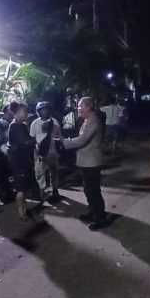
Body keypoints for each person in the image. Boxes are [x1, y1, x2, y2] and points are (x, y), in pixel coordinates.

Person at [63, 97, 107, 230]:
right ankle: (93, 212)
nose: (78, 109)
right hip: (87, 161)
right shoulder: (88, 120)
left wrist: (64, 142)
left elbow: (82, 140)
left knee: (93, 191)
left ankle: (100, 217)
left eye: (80, 106)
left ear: (88, 107)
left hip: (92, 162)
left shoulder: (93, 121)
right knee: (89, 189)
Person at [8, 102, 38, 219]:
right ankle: (22, 211)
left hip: (25, 160)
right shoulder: (15, 126)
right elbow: (26, 141)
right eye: (24, 111)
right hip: (19, 162)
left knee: (24, 188)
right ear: (16, 113)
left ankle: (24, 208)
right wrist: (34, 141)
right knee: (21, 188)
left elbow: (28, 141)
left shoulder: (22, 125)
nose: (26, 113)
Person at [30, 101, 62, 202]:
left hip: (52, 152)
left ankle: (55, 191)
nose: (44, 112)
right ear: (38, 111)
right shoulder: (35, 123)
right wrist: (36, 149)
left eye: (46, 109)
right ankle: (41, 191)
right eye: (42, 110)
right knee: (40, 173)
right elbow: (32, 138)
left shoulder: (54, 122)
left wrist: (57, 148)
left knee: (54, 173)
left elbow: (60, 136)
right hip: (39, 152)